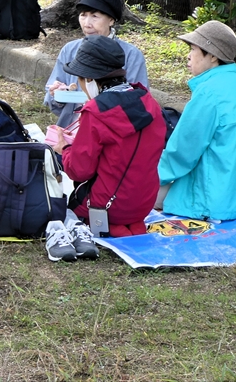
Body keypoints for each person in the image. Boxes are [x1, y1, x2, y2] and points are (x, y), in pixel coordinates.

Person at [49, 36, 167, 254]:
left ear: (89, 79)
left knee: (59, 202)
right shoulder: (149, 101)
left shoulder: (95, 112)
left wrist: (64, 149)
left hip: (106, 206)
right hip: (144, 203)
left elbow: (79, 170)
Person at [157, 20, 236, 221]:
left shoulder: (208, 93)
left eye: (193, 49)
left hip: (216, 202)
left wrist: (148, 176)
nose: (188, 55)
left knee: (141, 192)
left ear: (212, 56)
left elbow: (182, 152)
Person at [44, 0, 148, 128]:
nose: (87, 24)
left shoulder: (131, 55)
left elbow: (139, 104)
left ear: (111, 20)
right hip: (72, 131)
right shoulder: (70, 50)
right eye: (83, 15)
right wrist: (56, 95)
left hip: (113, 131)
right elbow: (52, 103)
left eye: (94, 16)